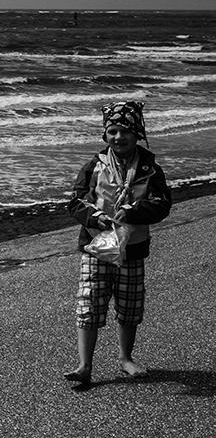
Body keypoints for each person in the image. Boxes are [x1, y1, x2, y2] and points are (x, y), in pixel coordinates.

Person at [63, 101, 172, 390]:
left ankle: (126, 358)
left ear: (137, 134)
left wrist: (135, 211)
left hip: (132, 248)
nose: (118, 137)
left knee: (129, 306)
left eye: (125, 131)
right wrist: (94, 217)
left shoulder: (150, 168)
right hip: (96, 246)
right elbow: (75, 202)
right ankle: (85, 366)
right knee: (88, 304)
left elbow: (163, 205)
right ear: (105, 135)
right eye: (112, 131)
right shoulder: (94, 165)